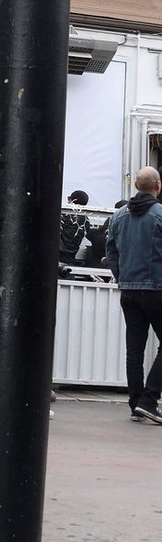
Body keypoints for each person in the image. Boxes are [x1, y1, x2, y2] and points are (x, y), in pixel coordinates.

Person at [106, 167, 162, 423]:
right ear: (157, 185)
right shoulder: (160, 214)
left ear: (137, 186)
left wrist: (121, 277)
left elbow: (111, 251)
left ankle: (135, 401)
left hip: (128, 290)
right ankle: (149, 400)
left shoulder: (119, 216)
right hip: (156, 289)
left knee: (134, 349)